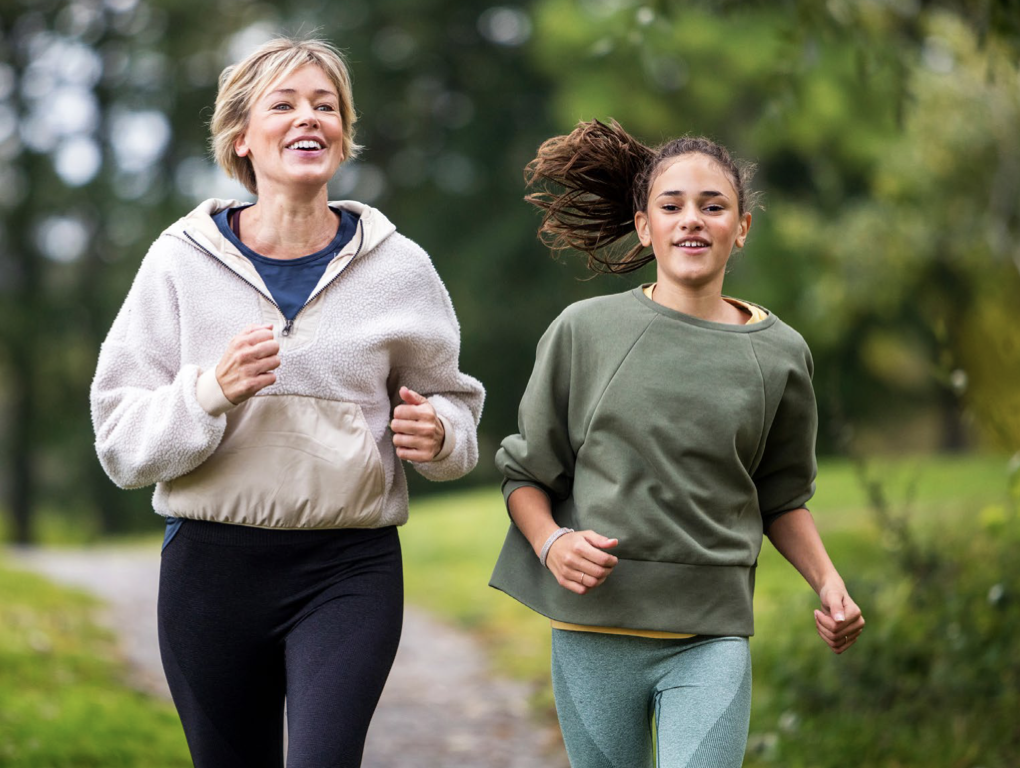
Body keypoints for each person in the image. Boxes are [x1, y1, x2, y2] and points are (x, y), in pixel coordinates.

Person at [90, 37, 484, 768]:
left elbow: (454, 406)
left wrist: (441, 435)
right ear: (241, 137)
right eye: (285, 104)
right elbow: (119, 443)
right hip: (210, 571)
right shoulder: (177, 260)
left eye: (325, 105)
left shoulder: (400, 267)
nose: (310, 118)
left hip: (349, 569)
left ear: (342, 134)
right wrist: (212, 390)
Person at [489, 119, 864, 767]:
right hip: (593, 632)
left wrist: (829, 583)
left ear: (741, 228)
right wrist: (553, 544)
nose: (692, 219)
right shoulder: (584, 332)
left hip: (710, 635)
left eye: (713, 206)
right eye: (673, 206)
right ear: (644, 227)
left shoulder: (780, 355)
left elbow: (781, 496)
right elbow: (526, 475)